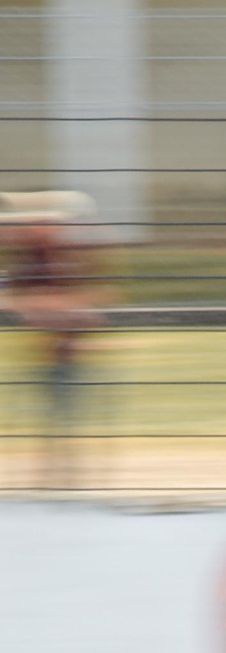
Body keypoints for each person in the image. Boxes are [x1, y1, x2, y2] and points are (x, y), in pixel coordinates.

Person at [2, 191, 109, 492]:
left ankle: (58, 473)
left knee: (59, 413)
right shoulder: (42, 246)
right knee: (56, 413)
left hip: (62, 350)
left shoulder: (56, 250)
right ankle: (56, 473)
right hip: (53, 350)